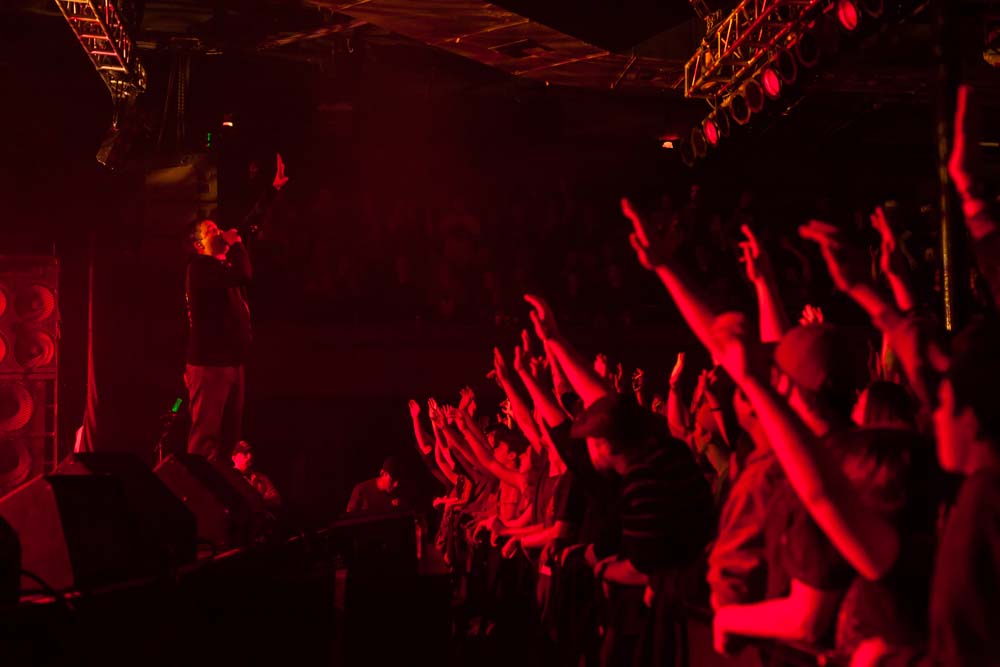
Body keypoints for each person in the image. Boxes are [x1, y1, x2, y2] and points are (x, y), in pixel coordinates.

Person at [184, 218, 251, 462]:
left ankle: (222, 490)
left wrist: (272, 191)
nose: (219, 232)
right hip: (211, 364)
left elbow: (249, 222)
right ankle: (196, 492)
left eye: (217, 227)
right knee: (206, 437)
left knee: (230, 439)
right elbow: (244, 274)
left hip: (232, 362)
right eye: (210, 231)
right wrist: (237, 245)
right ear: (199, 244)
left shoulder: (221, 268)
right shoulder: (200, 267)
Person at [346, 456, 411, 513]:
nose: (396, 484)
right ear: (382, 473)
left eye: (399, 480)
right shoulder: (361, 490)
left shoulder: (400, 491)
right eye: (392, 480)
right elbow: (350, 520)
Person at [231, 440, 282, 509]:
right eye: (245, 453)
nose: (250, 456)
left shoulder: (261, 478)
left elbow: (277, 499)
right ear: (234, 457)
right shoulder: (229, 476)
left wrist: (257, 502)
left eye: (251, 453)